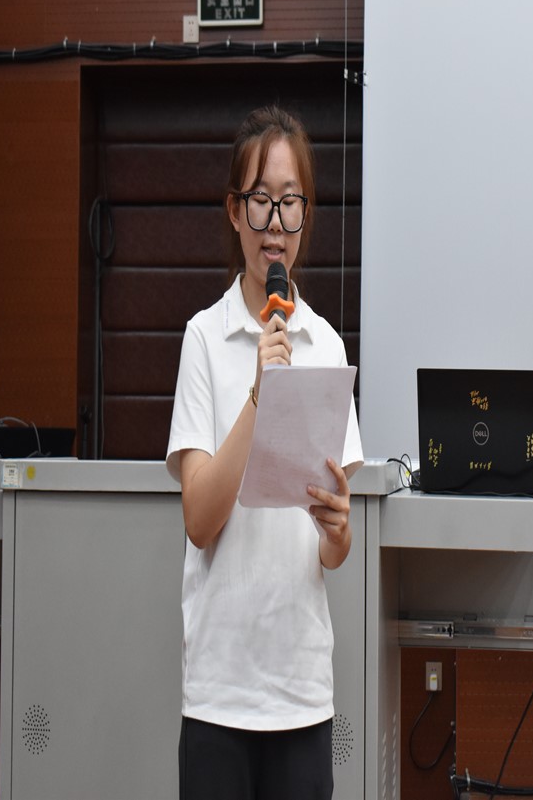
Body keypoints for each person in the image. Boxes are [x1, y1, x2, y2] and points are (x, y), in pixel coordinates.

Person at [166, 104, 363, 800]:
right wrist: (259, 392)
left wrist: (338, 533)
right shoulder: (203, 338)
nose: (275, 225)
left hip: (300, 689)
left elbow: (332, 547)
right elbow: (199, 520)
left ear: (307, 214)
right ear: (234, 210)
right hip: (219, 691)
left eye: (290, 203)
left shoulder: (327, 345)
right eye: (260, 201)